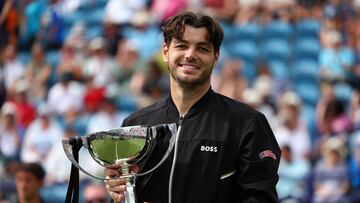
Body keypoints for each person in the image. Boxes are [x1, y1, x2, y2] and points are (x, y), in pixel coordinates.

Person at [104, 11, 280, 203]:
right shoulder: (135, 125)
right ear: (165, 52)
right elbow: (125, 194)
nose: (190, 55)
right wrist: (119, 195)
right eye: (181, 46)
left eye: (202, 49)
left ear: (216, 57)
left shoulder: (246, 123)